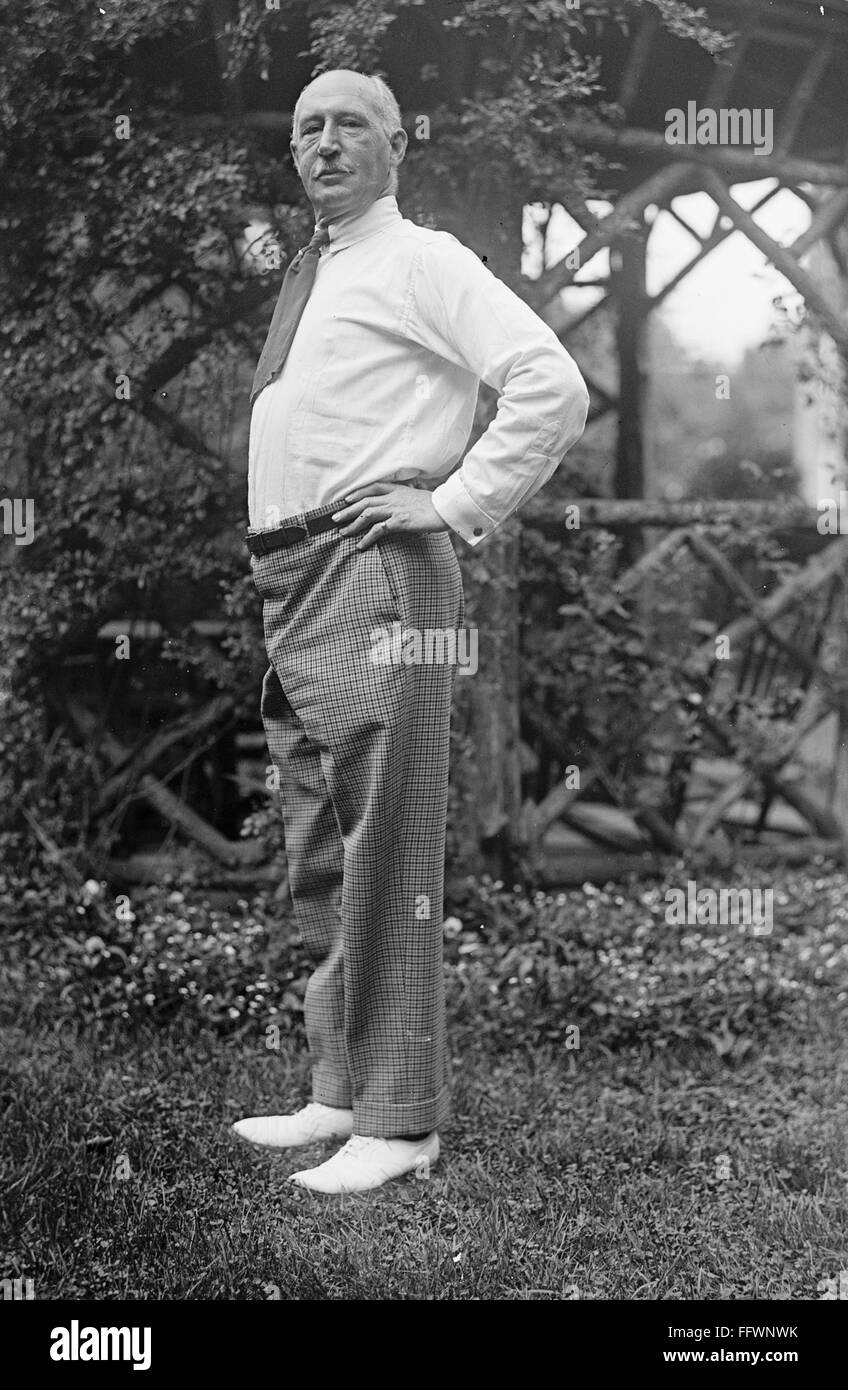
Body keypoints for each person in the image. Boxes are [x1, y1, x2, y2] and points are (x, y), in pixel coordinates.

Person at [232, 69, 589, 1193]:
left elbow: (549, 382)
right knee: (319, 838)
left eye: (349, 125)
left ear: (396, 145)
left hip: (378, 567)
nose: (325, 142)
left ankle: (399, 1122)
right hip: (294, 573)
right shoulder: (321, 269)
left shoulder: (423, 258)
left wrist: (450, 502)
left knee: (387, 844)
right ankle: (337, 1088)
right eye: (308, 128)